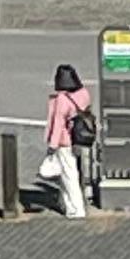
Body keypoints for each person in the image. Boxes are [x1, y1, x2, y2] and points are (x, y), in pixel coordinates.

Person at [43, 63, 97, 216]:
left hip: (64, 141)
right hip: (81, 138)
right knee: (70, 173)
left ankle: (76, 209)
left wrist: (52, 145)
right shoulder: (83, 93)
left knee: (69, 175)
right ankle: (68, 207)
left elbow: (58, 123)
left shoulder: (62, 99)